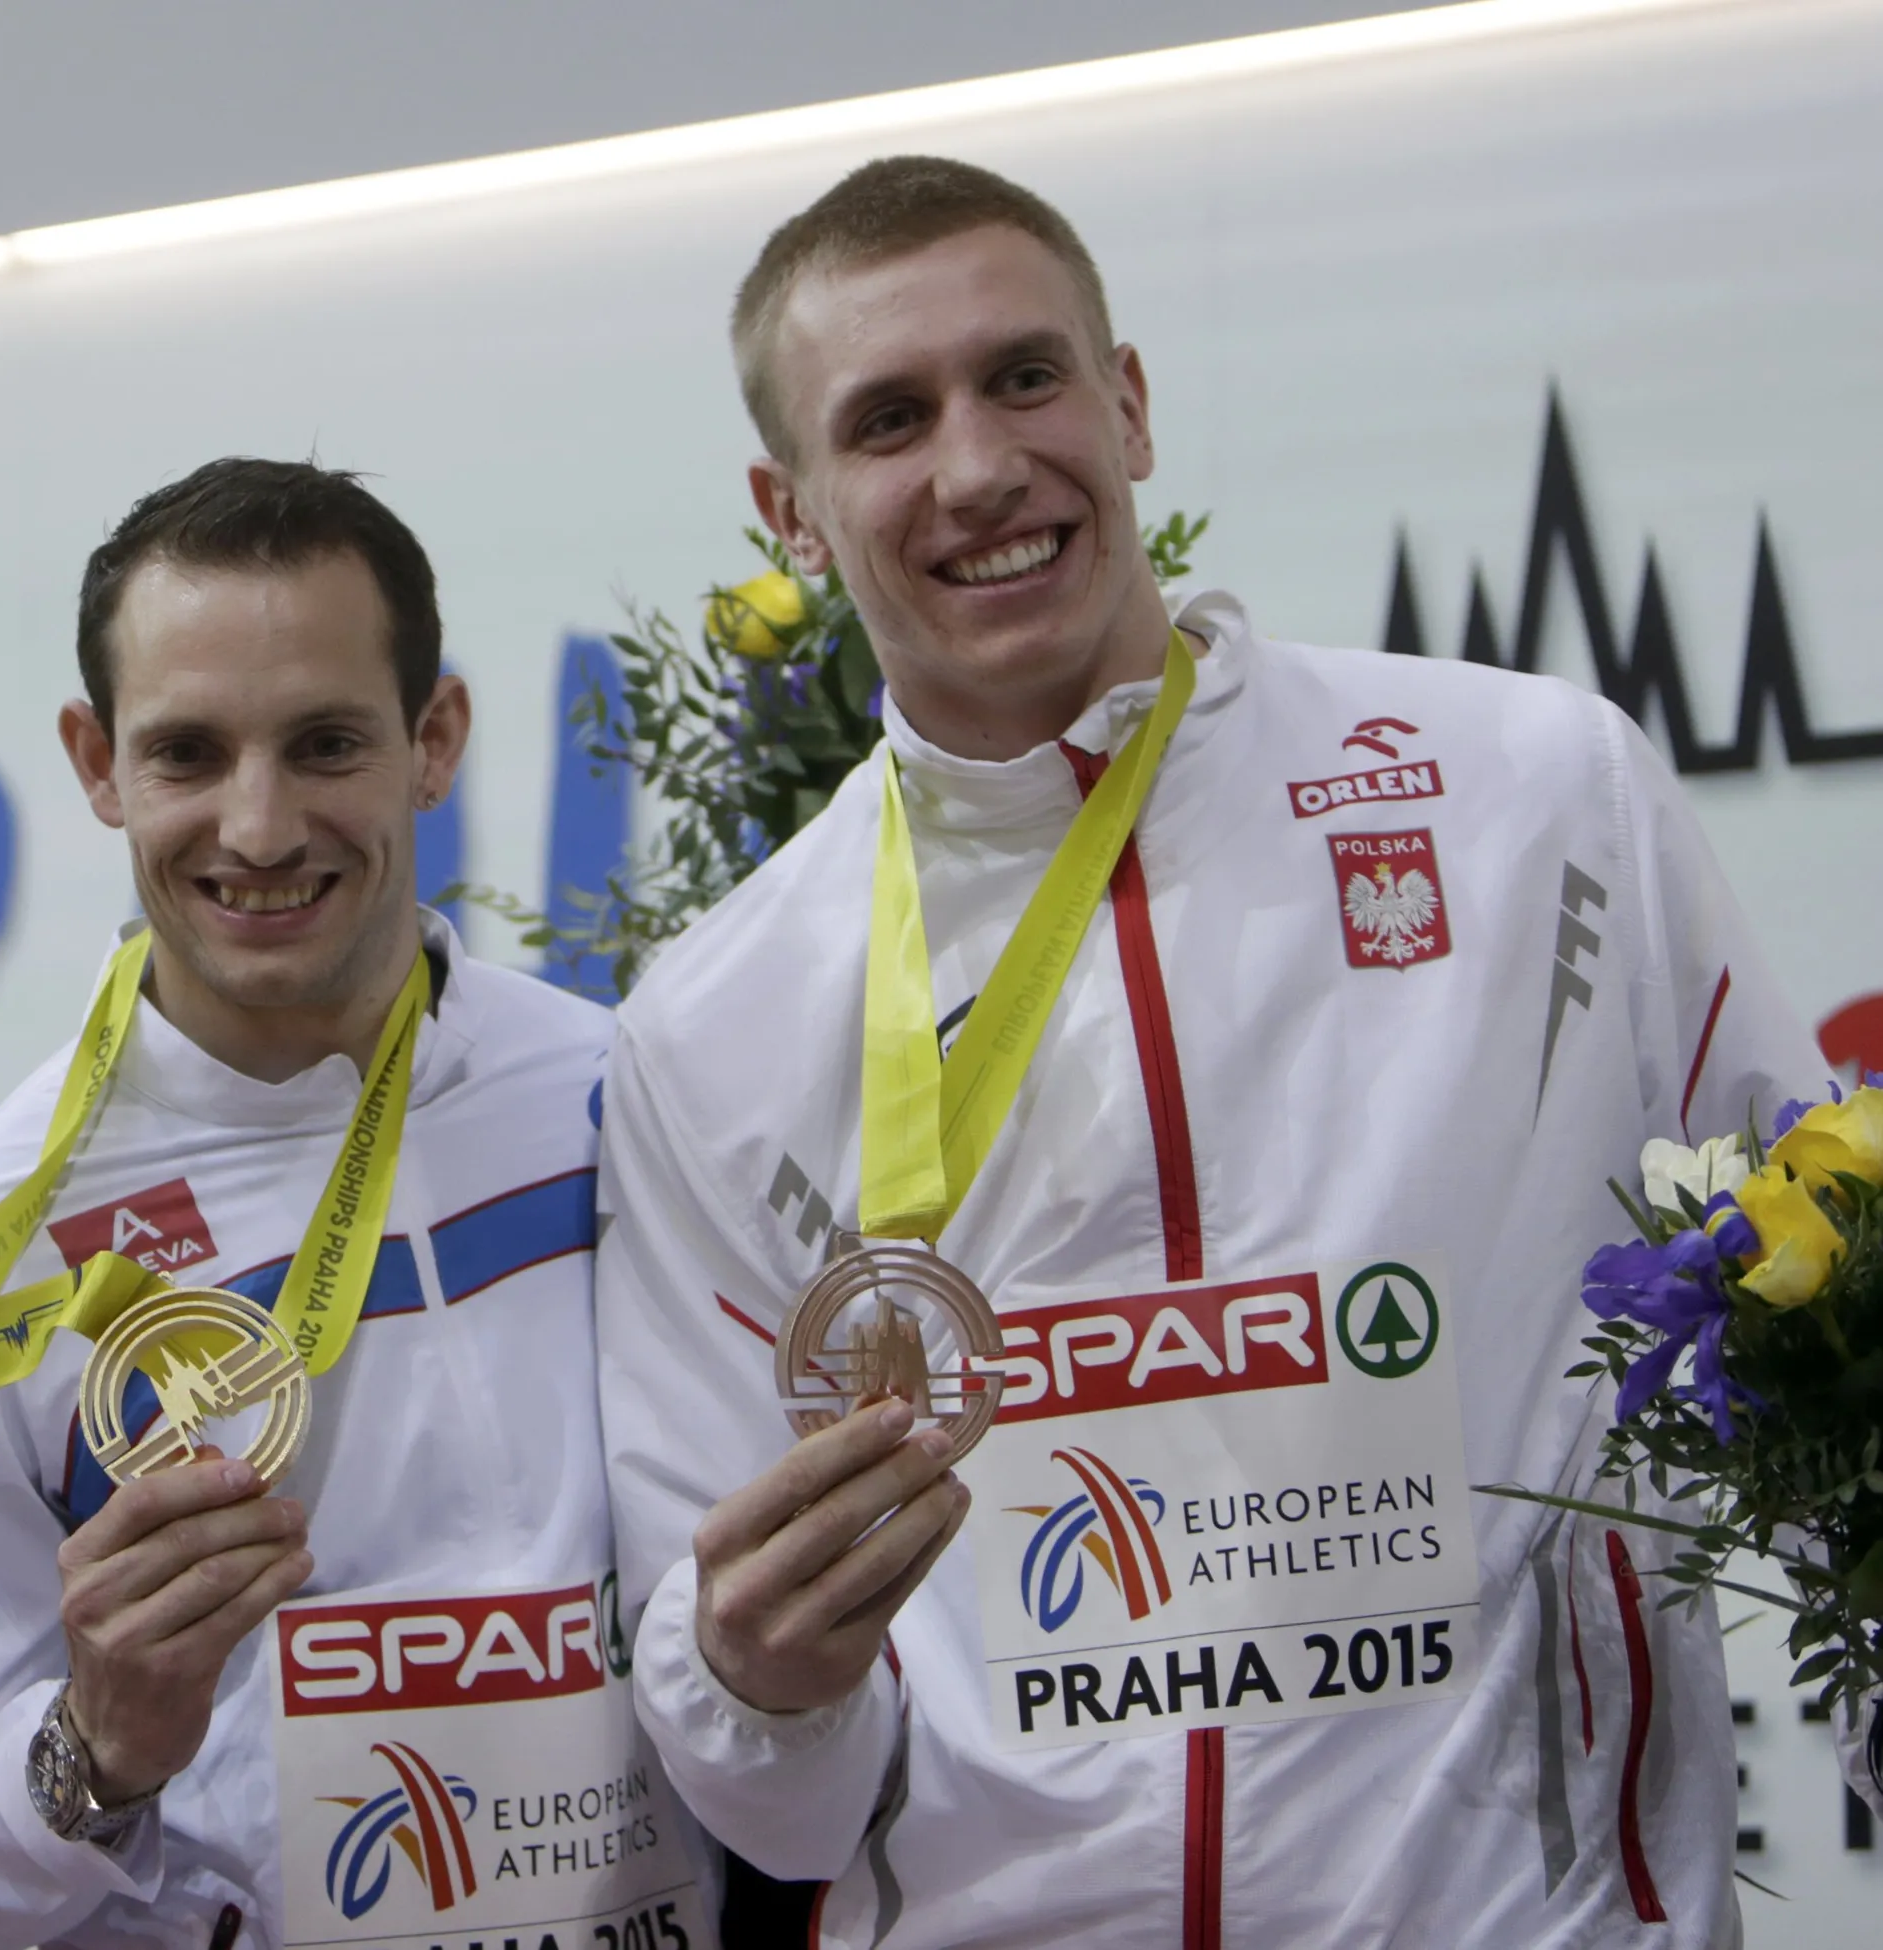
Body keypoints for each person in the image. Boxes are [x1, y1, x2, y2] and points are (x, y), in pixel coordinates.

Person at [593, 155, 1834, 1947]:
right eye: (888, 417)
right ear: (791, 512)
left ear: (1133, 403)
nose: (977, 465)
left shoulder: (1537, 796)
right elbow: (775, 1799)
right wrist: (757, 1674)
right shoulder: (712, 1023)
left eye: (1025, 375)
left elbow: (1821, 1341)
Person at [0, 458, 708, 1949]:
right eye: (188, 753)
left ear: (437, 738)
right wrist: (87, 1753)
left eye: (326, 742)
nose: (262, 824)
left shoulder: (626, 1098)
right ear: (97, 763)